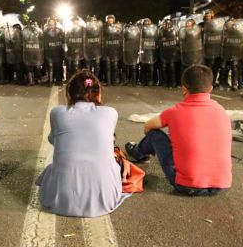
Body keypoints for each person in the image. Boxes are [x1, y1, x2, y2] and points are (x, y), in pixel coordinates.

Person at [125, 64, 231, 196]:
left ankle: (138, 152)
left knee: (155, 135)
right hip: (220, 185)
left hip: (187, 186)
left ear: (184, 89)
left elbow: (147, 126)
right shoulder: (221, 111)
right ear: (210, 89)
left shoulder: (175, 112)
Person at [36, 70, 130, 217]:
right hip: (104, 201)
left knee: (51, 166)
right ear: (98, 94)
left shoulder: (57, 113)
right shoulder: (111, 113)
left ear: (70, 94)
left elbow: (53, 140)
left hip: (60, 201)